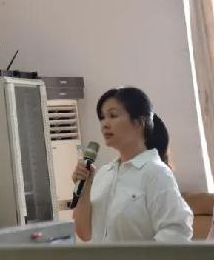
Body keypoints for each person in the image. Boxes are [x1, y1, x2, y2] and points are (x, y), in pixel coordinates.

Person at [72, 87, 193, 242]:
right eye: (102, 117)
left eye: (113, 115)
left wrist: (140, 254)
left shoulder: (156, 172)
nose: (104, 124)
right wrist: (85, 188)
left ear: (140, 122)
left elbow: (177, 232)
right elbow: (84, 233)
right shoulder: (103, 173)